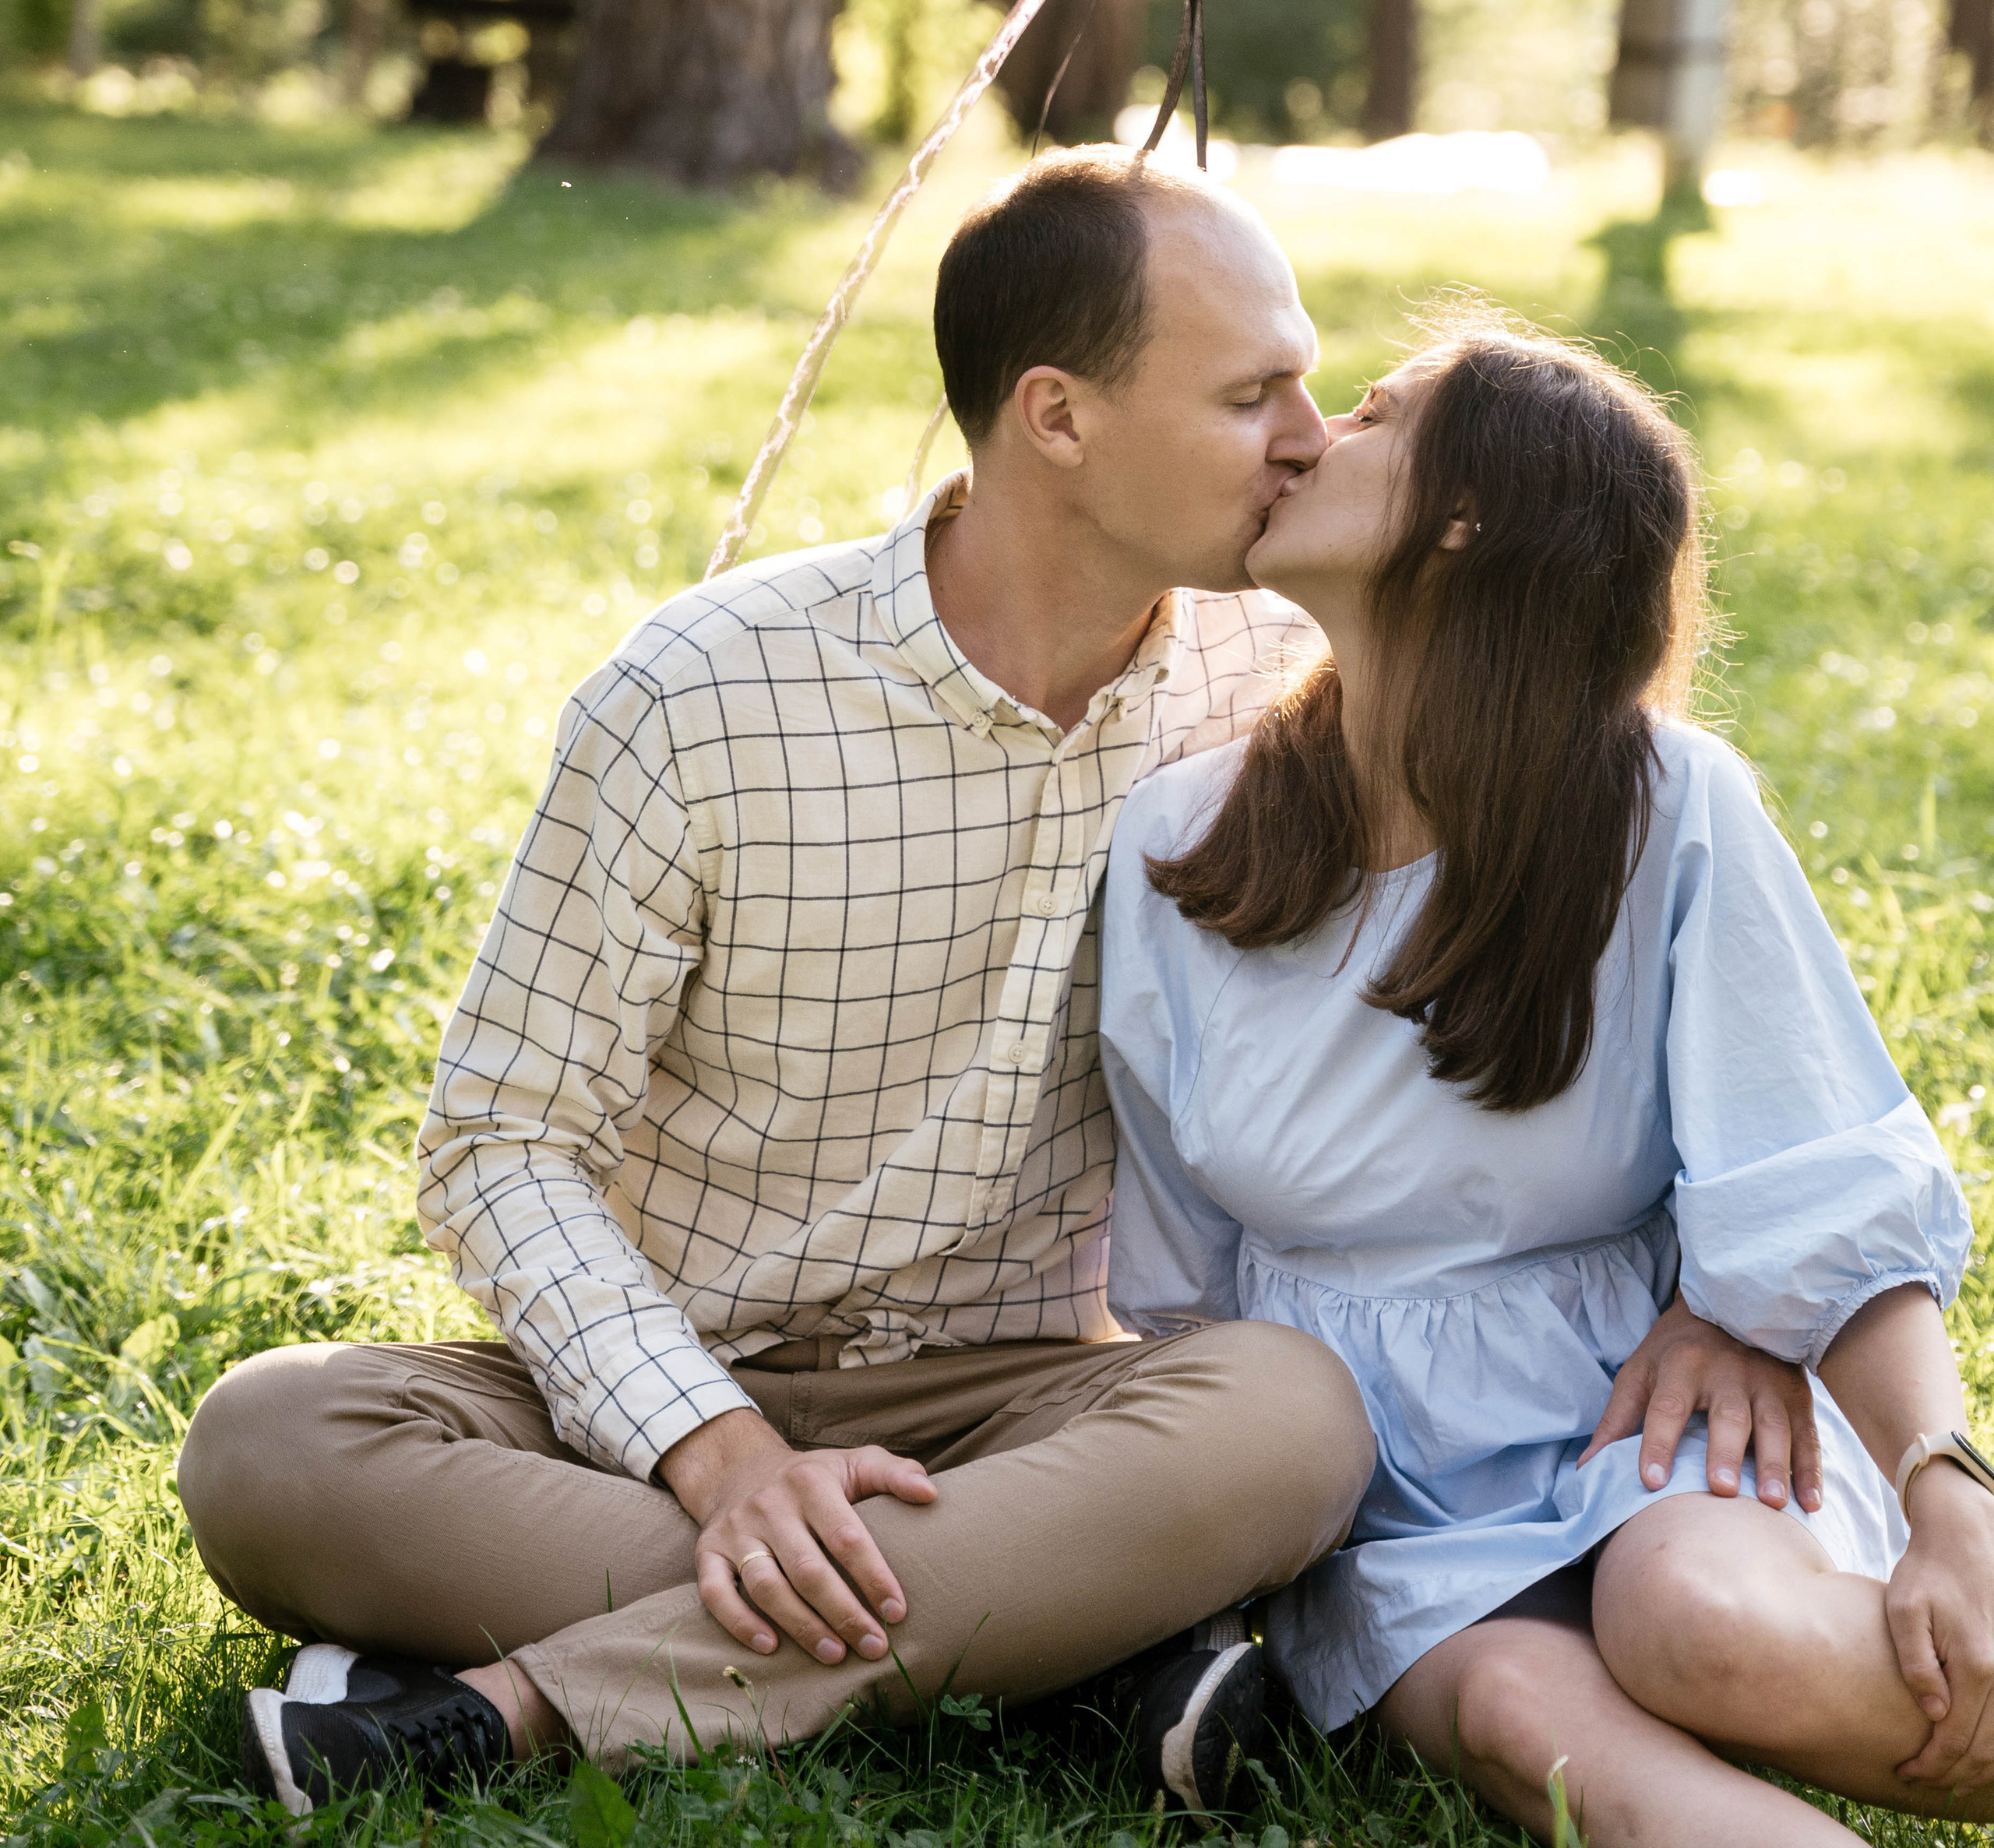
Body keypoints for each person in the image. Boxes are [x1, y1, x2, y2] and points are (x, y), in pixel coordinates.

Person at [178, 160, 1809, 1817]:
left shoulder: (1293, 686)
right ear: (1056, 418)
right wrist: (719, 1453)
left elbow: (1608, 922)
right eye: (1252, 395)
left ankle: (513, 1703)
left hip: (1041, 1400)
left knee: (1292, 1422)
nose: (1308, 436)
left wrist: (1719, 1291)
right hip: (670, 1382)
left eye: (1308, 388)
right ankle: (1075, 1642)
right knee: (267, 1444)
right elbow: (500, 1142)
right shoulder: (700, 694)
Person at [1100, 312, 1988, 1844]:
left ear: (1464, 521)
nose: (1303, 437)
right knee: (1532, 1723)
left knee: (1705, 1626)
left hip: (1644, 1407)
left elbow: (1817, 1171)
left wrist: (1944, 1495)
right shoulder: (1176, 843)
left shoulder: (1658, 805)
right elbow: (1176, 1277)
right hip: (1358, 1488)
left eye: (1367, 416)